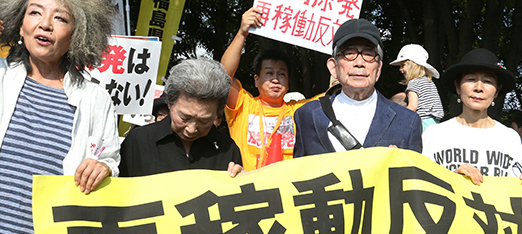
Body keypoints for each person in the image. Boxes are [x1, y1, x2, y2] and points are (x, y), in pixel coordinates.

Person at [0, 0, 121, 234]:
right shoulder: (1, 76)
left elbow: (110, 156)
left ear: (78, 34)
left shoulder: (95, 98)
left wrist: (105, 167)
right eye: (35, 12)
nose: (46, 24)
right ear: (19, 24)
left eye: (61, 18)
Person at [293, 18, 422, 156]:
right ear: (333, 67)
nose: (359, 62)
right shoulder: (307, 116)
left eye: (368, 54)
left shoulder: (407, 121)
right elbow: (299, 174)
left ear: (378, 69)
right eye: (349, 54)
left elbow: (414, 176)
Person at [220, 7, 320, 170]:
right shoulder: (244, 106)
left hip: (287, 190)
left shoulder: (300, 111)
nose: (275, 79)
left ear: (288, 83)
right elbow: (223, 75)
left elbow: (335, 93)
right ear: (256, 80)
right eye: (269, 73)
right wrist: (241, 33)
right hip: (248, 189)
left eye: (281, 74)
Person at [422, 48, 522, 185]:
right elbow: (421, 186)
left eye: (488, 81)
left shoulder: (510, 138)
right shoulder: (434, 134)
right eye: (471, 79)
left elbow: (517, 191)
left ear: (496, 91)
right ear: (458, 87)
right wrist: (452, 179)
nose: (479, 88)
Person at [119, 59, 243, 177]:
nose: (191, 129)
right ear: (170, 103)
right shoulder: (138, 142)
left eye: (204, 121)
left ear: (217, 113)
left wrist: (242, 180)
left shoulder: (227, 149)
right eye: (184, 117)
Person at [389, 44, 443, 130]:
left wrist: (397, 118)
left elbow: (412, 107)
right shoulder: (429, 81)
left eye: (403, 65)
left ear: (413, 65)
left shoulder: (413, 83)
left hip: (422, 122)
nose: (400, 69)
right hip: (435, 122)